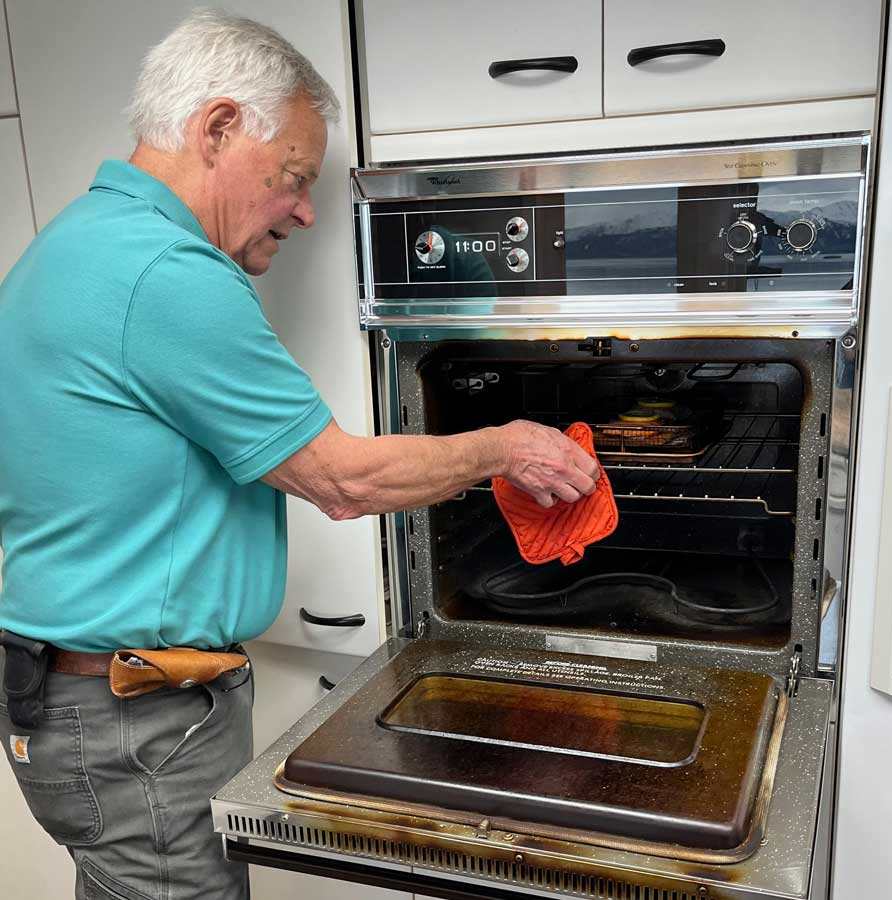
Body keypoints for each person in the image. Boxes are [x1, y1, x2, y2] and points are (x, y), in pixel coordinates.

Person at [0, 10, 598, 900]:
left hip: (95, 707)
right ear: (217, 128)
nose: (308, 209)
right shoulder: (164, 273)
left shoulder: (75, 245)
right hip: (135, 720)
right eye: (293, 177)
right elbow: (344, 479)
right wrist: (505, 446)